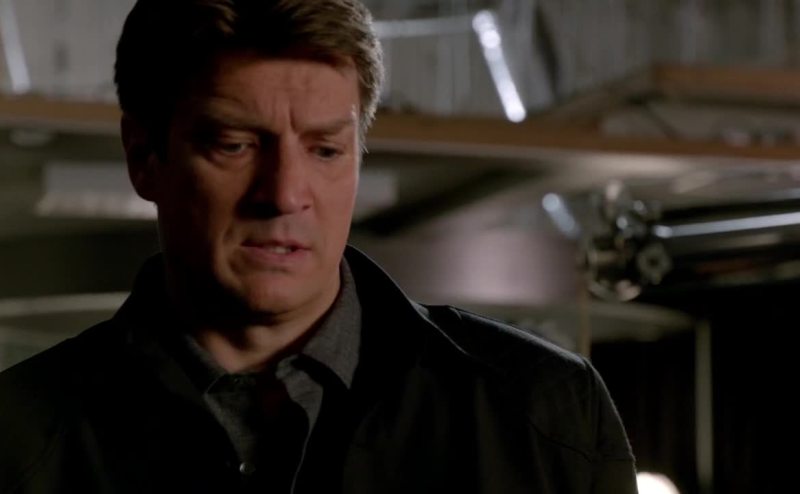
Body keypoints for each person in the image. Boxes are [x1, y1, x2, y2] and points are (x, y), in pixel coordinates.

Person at [0, 0, 637, 492]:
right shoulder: (17, 439)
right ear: (144, 156)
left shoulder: (546, 411)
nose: (284, 194)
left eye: (325, 150)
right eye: (235, 145)